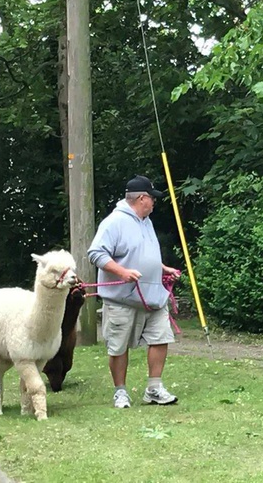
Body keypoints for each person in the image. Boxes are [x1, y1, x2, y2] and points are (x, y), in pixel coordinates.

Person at [88, 175, 181, 409]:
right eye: (152, 198)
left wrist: (162, 268)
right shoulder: (114, 223)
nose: (154, 203)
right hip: (122, 299)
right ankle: (120, 392)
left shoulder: (146, 221)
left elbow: (143, 253)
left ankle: (154, 388)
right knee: (118, 346)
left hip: (154, 297)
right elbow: (96, 253)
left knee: (161, 338)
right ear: (142, 198)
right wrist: (122, 272)